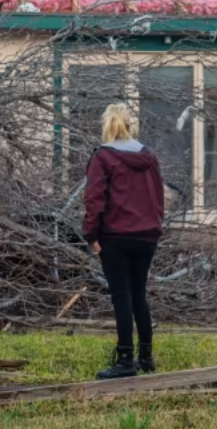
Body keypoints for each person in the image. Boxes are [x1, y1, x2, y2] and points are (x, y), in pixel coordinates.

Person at [83, 103, 164, 380]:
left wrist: (91, 234)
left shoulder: (102, 157)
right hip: (147, 235)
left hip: (115, 236)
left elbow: (94, 199)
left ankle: (125, 359)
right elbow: (158, 196)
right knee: (139, 293)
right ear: (131, 125)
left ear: (107, 125)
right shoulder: (149, 156)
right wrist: (156, 224)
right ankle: (146, 356)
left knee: (121, 296)